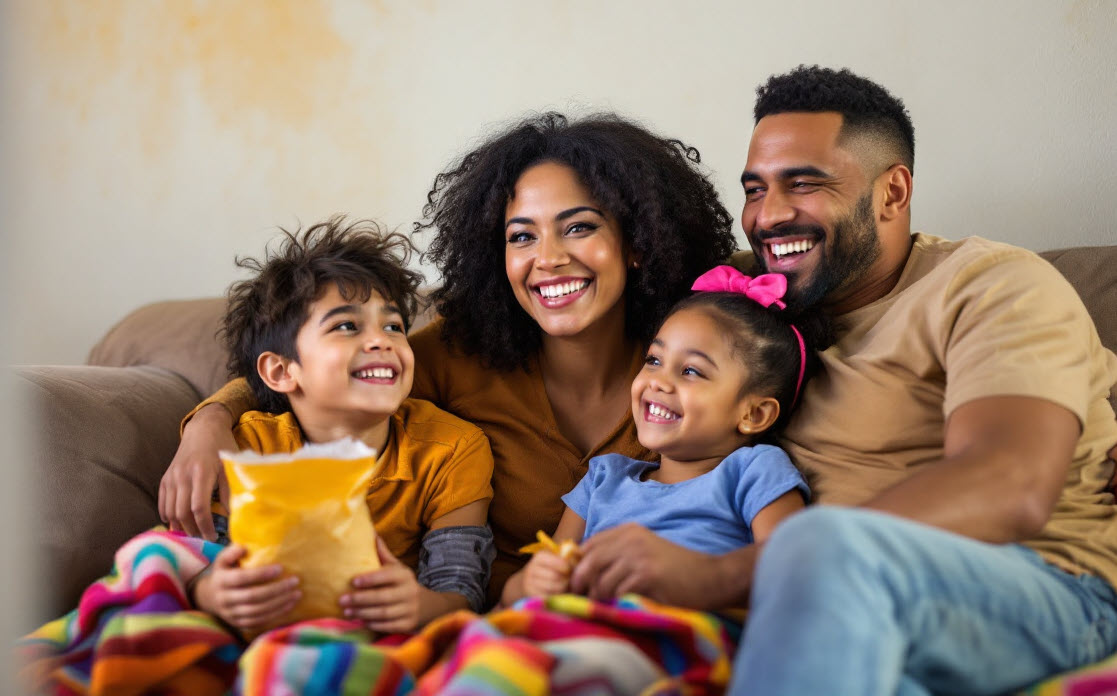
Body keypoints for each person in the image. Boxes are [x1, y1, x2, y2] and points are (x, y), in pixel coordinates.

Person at [570, 65, 1117, 694]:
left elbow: (1010, 482)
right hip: (825, 612)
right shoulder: (741, 300)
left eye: (802, 184)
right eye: (754, 189)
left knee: (823, 551)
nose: (768, 216)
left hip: (1036, 591)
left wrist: (726, 575)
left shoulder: (993, 287)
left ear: (892, 192)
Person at [158, 112, 738, 605]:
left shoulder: (695, 362)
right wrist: (208, 422)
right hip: (489, 623)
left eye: (579, 227)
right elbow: (314, 378)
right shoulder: (454, 353)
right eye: (521, 236)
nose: (549, 258)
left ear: (637, 244)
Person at [191, 216, 495, 634]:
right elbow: (201, 565)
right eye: (347, 326)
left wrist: (420, 606)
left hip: (391, 637)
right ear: (281, 371)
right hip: (271, 632)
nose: (382, 340)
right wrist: (213, 593)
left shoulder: (453, 449)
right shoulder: (250, 449)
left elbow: (459, 592)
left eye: (394, 326)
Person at [502, 267, 825, 606]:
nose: (657, 381)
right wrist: (533, 581)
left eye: (691, 371)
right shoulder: (603, 479)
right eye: (654, 360)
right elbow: (518, 593)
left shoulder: (754, 469)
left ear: (754, 415)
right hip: (580, 629)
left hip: (680, 638)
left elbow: (791, 561)